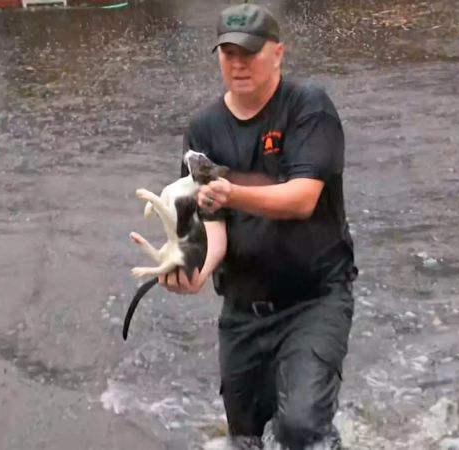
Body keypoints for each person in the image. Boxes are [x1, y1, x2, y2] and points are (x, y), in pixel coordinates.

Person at [154, 4, 357, 449]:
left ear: (278, 53)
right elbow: (213, 228)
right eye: (228, 53)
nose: (238, 63)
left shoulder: (309, 108)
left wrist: (233, 192)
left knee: (301, 427)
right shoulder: (203, 130)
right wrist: (194, 273)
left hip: (314, 299)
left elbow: (303, 198)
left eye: (249, 52)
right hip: (243, 310)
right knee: (246, 438)